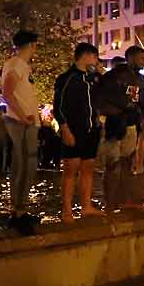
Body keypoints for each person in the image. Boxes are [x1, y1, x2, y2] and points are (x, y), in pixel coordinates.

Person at [53, 43, 103, 222]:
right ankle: (66, 210)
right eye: (95, 57)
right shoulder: (67, 78)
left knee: (88, 168)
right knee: (70, 170)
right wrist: (64, 128)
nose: (96, 61)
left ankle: (86, 206)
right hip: (74, 130)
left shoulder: (93, 78)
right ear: (86, 56)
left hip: (92, 130)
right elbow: (58, 107)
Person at [95, 47, 144, 212]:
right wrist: (115, 111)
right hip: (115, 125)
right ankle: (109, 203)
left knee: (127, 163)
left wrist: (141, 120)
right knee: (113, 164)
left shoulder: (140, 78)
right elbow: (100, 99)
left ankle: (124, 199)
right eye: (141, 57)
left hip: (131, 125)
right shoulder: (114, 76)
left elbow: (138, 101)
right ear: (130, 58)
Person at [0, 29, 43, 231]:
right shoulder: (17, 64)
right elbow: (7, 92)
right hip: (22, 123)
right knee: (24, 166)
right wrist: (24, 116)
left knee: (25, 165)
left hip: (24, 122)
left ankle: (21, 211)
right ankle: (18, 213)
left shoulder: (17, 64)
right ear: (32, 45)